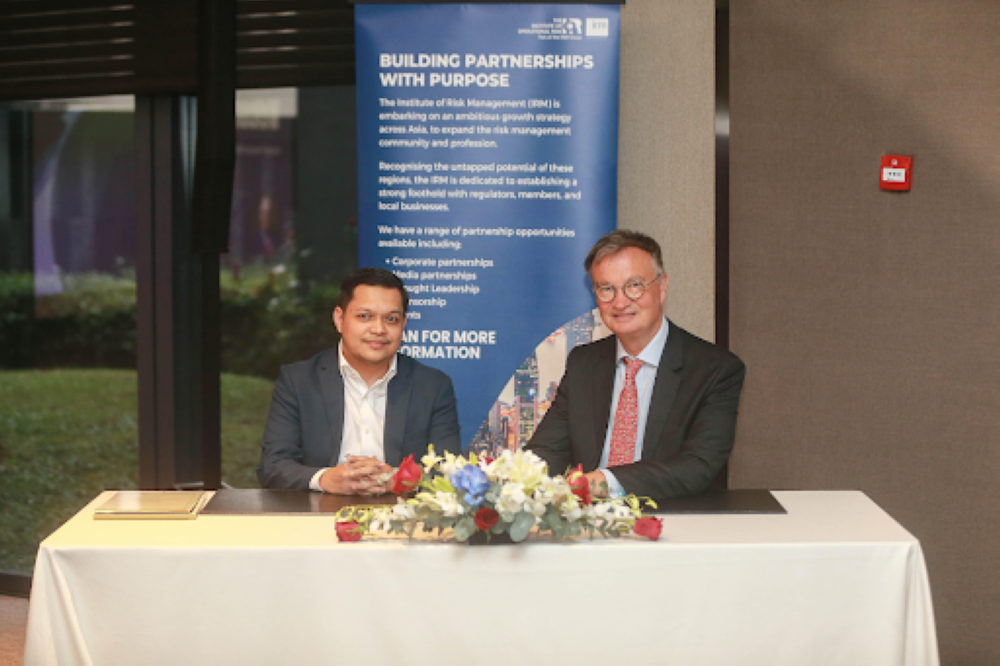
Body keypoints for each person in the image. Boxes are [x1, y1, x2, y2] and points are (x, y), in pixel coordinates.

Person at [526, 230, 746, 498]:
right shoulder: (584, 362)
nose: (620, 302)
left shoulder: (715, 369)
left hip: (675, 521)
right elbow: (548, 450)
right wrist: (516, 484)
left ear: (662, 286)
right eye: (606, 288)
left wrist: (602, 482)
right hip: (587, 523)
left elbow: (698, 466)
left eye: (634, 286)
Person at [257, 267, 461, 494]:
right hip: (317, 516)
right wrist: (325, 479)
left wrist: (397, 479)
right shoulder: (299, 381)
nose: (379, 329)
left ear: (403, 324)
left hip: (401, 519)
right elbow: (272, 466)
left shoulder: (432, 386)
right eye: (365, 316)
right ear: (339, 319)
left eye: (391, 319)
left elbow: (448, 471)